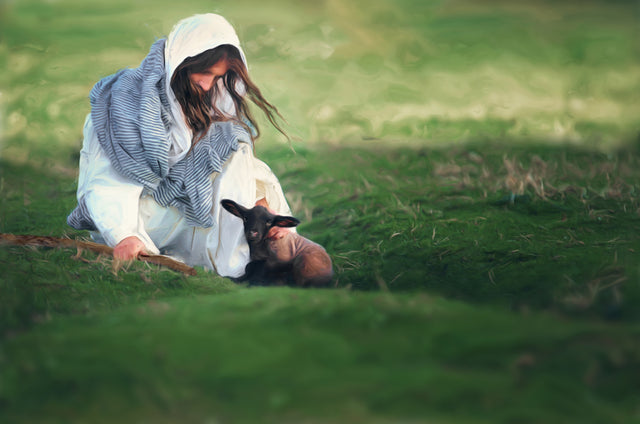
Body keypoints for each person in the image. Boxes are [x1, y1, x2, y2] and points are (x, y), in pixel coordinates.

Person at [67, 13, 294, 278]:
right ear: (181, 62)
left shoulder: (204, 98)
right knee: (233, 164)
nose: (207, 84)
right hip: (131, 217)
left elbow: (226, 163)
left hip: (182, 208)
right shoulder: (123, 104)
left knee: (236, 153)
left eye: (217, 77)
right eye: (204, 72)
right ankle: (240, 265)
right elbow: (107, 181)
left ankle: (268, 252)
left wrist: (259, 203)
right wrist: (124, 234)